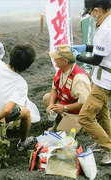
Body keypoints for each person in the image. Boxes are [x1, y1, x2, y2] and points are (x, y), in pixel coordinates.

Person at [71, 0, 111, 164]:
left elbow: (96, 59)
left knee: (85, 117)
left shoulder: (105, 29)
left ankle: (108, 148)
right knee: (102, 114)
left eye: (90, 13)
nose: (91, 16)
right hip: (103, 78)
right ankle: (106, 141)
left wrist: (77, 57)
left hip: (105, 81)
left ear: (96, 10)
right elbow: (101, 48)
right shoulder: (107, 22)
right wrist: (85, 47)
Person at [43, 44, 91, 134]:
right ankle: (60, 120)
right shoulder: (61, 69)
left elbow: (85, 103)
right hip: (65, 104)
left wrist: (64, 108)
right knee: (47, 98)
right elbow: (54, 88)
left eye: (56, 58)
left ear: (65, 61)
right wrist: (51, 104)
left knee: (61, 133)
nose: (54, 59)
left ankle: (81, 125)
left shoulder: (79, 78)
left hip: (77, 113)